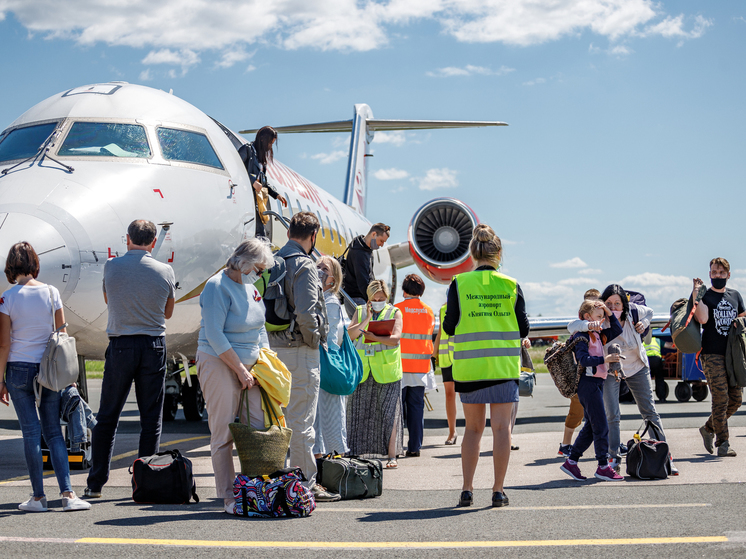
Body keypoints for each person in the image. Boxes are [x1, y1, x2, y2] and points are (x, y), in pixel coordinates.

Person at [85, 220, 176, 499]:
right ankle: (144, 483)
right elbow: (168, 313)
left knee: (108, 416)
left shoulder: (111, 266)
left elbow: (107, 299)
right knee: (151, 418)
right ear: (152, 242)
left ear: (128, 239)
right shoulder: (165, 270)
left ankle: (95, 483)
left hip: (121, 344)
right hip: (153, 345)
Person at [442, 224, 529, 508]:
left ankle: (467, 489)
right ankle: (498, 490)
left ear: (472, 254)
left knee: (473, 429)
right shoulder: (512, 285)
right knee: (502, 429)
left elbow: (450, 325)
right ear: (498, 253)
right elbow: (524, 328)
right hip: (502, 368)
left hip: (471, 369)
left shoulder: (459, 283)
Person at [0, 242, 91, 512]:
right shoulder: (52, 293)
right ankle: (67, 494)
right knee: (53, 432)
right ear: (34, 264)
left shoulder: (7, 298)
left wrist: (0, 379)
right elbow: (61, 334)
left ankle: (38, 497)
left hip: (18, 368)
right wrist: (68, 375)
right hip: (49, 370)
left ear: (11, 266)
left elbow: (4, 344)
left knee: (30, 432)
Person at [195, 238, 275, 514]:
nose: (260, 274)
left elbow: (260, 329)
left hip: (251, 366)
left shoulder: (251, 288)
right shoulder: (217, 286)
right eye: (259, 269)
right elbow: (214, 334)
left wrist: (265, 361)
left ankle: (253, 488)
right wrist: (240, 369)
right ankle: (228, 496)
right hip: (219, 361)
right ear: (244, 263)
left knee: (257, 427)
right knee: (224, 430)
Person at [267, 212, 338, 501]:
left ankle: (278, 479)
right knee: (302, 423)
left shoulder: (273, 262)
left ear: (288, 234)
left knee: (278, 420)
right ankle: (305, 484)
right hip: (299, 350)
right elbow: (307, 313)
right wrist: (313, 341)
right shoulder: (304, 265)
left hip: (274, 350)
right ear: (313, 236)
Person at [572, 284, 675, 474]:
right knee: (612, 416)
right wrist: (589, 325)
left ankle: (665, 455)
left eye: (617, 303)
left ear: (624, 304)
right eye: (608, 303)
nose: (613, 308)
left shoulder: (634, 311)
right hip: (611, 370)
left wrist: (644, 323)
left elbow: (650, 312)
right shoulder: (599, 318)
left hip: (636, 366)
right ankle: (613, 458)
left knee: (649, 411)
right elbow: (573, 326)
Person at [560, 300, 624, 482]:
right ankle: (603, 466)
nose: (602, 320)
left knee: (591, 426)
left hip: (596, 382)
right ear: (587, 317)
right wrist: (606, 359)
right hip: (587, 384)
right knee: (601, 425)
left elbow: (617, 329)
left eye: (603, 316)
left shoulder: (598, 334)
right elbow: (583, 360)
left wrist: (606, 310)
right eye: (599, 316)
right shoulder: (582, 336)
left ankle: (571, 462)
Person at [347, 279, 404, 468]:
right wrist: (367, 319)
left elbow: (395, 339)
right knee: (358, 411)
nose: (378, 301)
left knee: (389, 414)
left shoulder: (394, 312)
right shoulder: (361, 310)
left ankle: (392, 456)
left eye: (381, 298)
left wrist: (375, 337)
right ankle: (356, 452)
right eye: (374, 298)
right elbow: (350, 335)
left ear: (387, 297)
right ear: (369, 298)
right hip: (363, 370)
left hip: (386, 371)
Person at [693, 257, 746, 457]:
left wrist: (740, 321)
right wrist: (697, 293)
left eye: (722, 273)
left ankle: (708, 428)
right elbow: (703, 318)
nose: (718, 276)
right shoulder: (705, 296)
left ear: (728, 275)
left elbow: (743, 315)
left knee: (736, 400)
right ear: (709, 274)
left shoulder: (735, 295)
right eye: (714, 273)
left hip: (733, 354)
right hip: (712, 353)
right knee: (721, 398)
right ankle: (723, 443)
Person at [394, 274, 435, 458]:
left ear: (404, 291)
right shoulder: (428, 311)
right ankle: (414, 447)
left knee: (397, 408)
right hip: (420, 368)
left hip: (399, 366)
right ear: (421, 291)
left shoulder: (396, 309)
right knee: (416, 408)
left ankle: (396, 446)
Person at [313, 255, 349, 458]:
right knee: (317, 422)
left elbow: (330, 338)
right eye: (317, 266)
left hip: (326, 366)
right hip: (319, 366)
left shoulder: (331, 302)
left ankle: (336, 467)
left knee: (331, 420)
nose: (319, 270)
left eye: (324, 269)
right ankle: (320, 469)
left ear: (333, 279)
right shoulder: (317, 298)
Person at [558, 288, 599, 457]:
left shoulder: (603, 323)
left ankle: (613, 443)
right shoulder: (579, 326)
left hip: (599, 376)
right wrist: (589, 325)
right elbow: (572, 326)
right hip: (581, 377)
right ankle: (565, 445)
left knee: (605, 412)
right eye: (588, 305)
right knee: (577, 412)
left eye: (597, 303)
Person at [238, 126, 288, 238]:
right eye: (270, 142)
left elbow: (264, 181)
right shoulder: (247, 150)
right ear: (262, 139)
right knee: (259, 234)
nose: (270, 146)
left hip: (257, 200)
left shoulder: (260, 158)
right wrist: (252, 181)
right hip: (247, 199)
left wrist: (276, 194)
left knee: (260, 233)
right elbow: (236, 167)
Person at [342, 223, 390, 313]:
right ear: (374, 234)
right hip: (358, 299)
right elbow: (363, 282)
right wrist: (375, 303)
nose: (382, 245)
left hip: (361, 298)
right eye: (381, 241)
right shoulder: (359, 253)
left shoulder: (365, 249)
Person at [433, 300, 458, 445]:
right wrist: (433, 355)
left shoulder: (466, 304)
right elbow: (440, 333)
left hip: (462, 357)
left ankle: (471, 430)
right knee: (449, 394)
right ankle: (452, 432)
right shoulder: (443, 309)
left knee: (465, 395)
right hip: (446, 358)